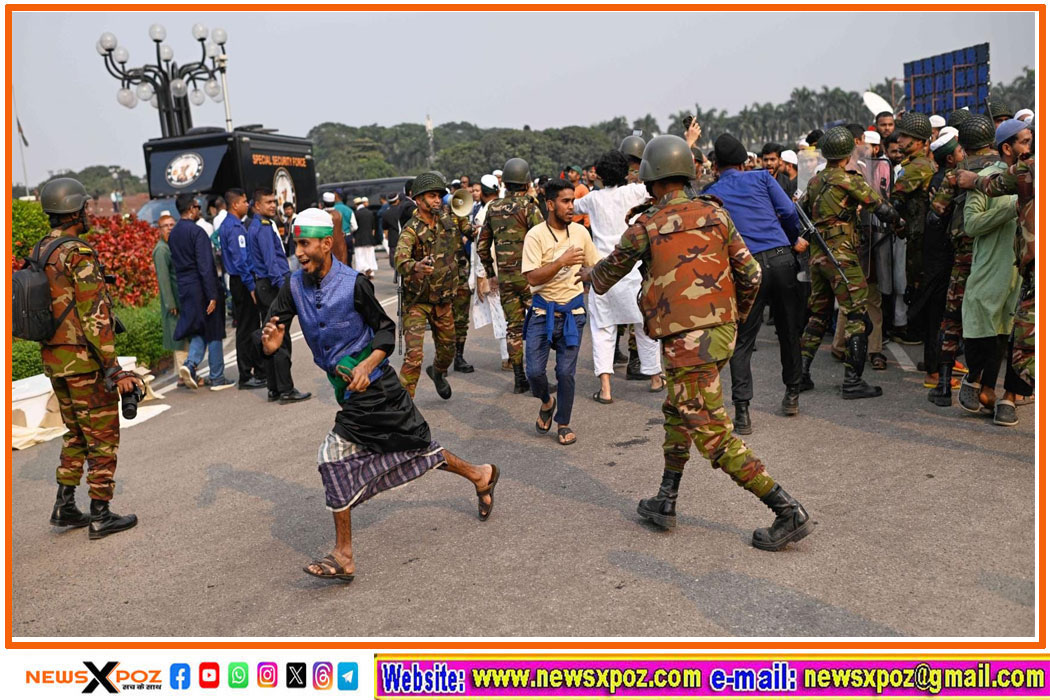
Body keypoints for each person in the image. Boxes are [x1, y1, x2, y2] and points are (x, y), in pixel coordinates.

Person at [579, 135, 814, 552]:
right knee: (677, 410)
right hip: (721, 334)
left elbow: (604, 278)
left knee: (711, 433)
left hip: (686, 342)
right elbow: (752, 274)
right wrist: (734, 318)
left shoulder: (646, 225)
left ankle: (785, 509)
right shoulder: (715, 214)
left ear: (651, 177)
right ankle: (665, 499)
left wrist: (586, 274)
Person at [259, 208, 499, 583]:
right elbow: (274, 327)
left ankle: (343, 554)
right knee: (417, 450)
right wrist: (271, 345)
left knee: (332, 456)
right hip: (348, 392)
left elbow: (385, 331)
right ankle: (480, 474)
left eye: (305, 243)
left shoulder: (354, 284)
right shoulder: (293, 286)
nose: (299, 251)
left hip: (377, 388)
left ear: (326, 243)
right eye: (295, 244)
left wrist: (367, 365)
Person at [37, 177, 139, 539]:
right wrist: (113, 368)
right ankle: (101, 513)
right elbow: (94, 316)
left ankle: (65, 505)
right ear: (75, 211)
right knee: (103, 436)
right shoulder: (76, 252)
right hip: (84, 363)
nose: (89, 212)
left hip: (55, 360)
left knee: (76, 433)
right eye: (86, 207)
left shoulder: (42, 250)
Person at [704, 133, 805, 430]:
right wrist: (790, 237)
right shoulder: (761, 178)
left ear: (716, 165)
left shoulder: (711, 192)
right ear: (743, 161)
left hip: (746, 267)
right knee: (788, 331)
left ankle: (742, 411)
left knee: (743, 341)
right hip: (783, 259)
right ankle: (792, 395)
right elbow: (788, 211)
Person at [799, 126, 904, 399]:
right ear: (848, 153)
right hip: (841, 255)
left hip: (818, 256)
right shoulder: (849, 179)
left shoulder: (815, 181)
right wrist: (899, 222)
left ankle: (801, 374)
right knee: (857, 316)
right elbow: (878, 206)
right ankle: (853, 381)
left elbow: (800, 211)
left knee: (817, 316)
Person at [572, 151, 662, 403]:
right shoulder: (634, 192)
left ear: (598, 175)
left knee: (602, 329)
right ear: (625, 172)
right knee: (644, 326)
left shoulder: (592, 198)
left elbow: (572, 207)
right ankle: (655, 378)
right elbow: (658, 186)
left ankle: (606, 389)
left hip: (603, 273)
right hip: (632, 270)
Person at [926, 114, 1002, 406]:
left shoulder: (957, 172)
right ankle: (985, 384)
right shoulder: (1003, 169)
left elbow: (936, 213)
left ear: (964, 144)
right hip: (996, 255)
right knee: (994, 318)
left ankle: (944, 387)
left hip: (964, 256)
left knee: (953, 317)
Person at [956, 146, 1035, 426]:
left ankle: (1010, 397)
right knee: (990, 330)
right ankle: (978, 380)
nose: (1028, 147)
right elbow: (972, 224)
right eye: (1024, 140)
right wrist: (1011, 210)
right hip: (999, 266)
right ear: (1008, 147)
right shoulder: (999, 176)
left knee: (1024, 339)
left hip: (1028, 271)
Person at [522, 179, 601, 446]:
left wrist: (597, 272)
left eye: (572, 201)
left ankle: (564, 423)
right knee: (533, 372)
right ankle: (547, 401)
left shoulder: (580, 232)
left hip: (572, 313)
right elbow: (532, 278)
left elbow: (596, 264)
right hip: (542, 313)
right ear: (550, 204)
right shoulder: (535, 235)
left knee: (566, 373)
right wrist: (561, 262)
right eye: (565, 202)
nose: (571, 206)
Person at [477, 157, 545, 393]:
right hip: (530, 277)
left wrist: (491, 273)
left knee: (513, 328)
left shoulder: (493, 208)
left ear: (504, 183)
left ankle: (519, 378)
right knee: (538, 323)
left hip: (505, 279)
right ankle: (538, 377)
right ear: (526, 183)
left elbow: (481, 246)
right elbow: (543, 239)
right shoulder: (529, 207)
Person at [394, 172, 460, 399]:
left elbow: (469, 230)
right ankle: (404, 408)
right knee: (413, 357)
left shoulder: (447, 219)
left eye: (439, 196)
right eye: (432, 196)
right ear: (418, 199)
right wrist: (415, 266)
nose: (437, 200)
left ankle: (438, 372)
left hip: (443, 300)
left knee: (447, 351)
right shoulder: (411, 229)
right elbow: (400, 258)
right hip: (417, 302)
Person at [248, 188, 311, 404]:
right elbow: (271, 261)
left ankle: (274, 388)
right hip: (274, 285)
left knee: (269, 335)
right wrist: (284, 287)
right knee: (280, 337)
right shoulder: (264, 228)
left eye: (274, 202)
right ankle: (286, 389)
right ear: (257, 206)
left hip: (263, 285)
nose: (273, 206)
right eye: (268, 202)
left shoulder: (255, 225)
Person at [170, 193, 232, 391]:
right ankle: (217, 377)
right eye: (197, 206)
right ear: (190, 208)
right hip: (202, 287)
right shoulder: (197, 232)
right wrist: (213, 295)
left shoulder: (174, 233)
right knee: (213, 330)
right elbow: (206, 266)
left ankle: (189, 364)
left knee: (199, 329)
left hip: (186, 288)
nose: (199, 210)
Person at [217, 188, 267, 390]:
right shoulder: (236, 228)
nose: (248, 204)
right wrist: (251, 287)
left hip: (237, 281)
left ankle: (255, 370)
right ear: (235, 204)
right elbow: (241, 261)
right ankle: (246, 375)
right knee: (247, 329)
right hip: (242, 281)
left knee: (250, 326)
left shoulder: (227, 225)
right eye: (245, 201)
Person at [469, 175, 512, 370]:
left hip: (492, 271)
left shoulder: (483, 213)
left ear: (484, 193)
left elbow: (482, 248)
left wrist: (480, 277)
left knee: (500, 315)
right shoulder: (508, 207)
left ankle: (508, 356)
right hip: (513, 269)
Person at [152, 214, 189, 383]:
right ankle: (185, 374)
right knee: (179, 338)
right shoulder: (161, 250)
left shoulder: (172, 245)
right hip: (173, 301)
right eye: (165, 226)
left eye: (172, 224)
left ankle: (181, 375)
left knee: (181, 336)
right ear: (159, 230)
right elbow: (163, 278)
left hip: (181, 298)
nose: (169, 228)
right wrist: (170, 303)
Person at [352, 197, 378, 278]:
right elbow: (373, 228)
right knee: (370, 255)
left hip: (359, 238)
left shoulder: (356, 213)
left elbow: (354, 227)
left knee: (360, 256)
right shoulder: (370, 213)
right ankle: (371, 273)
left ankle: (366, 269)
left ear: (356, 205)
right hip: (369, 238)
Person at [321, 192, 349, 265]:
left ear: (324, 203)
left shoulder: (321, 214)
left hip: (326, 246)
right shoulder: (339, 214)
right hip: (340, 245)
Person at [382, 192, 403, 278]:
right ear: (397, 200)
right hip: (404, 236)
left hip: (393, 238)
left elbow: (385, 227)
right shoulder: (402, 210)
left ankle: (397, 272)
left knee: (393, 259)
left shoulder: (386, 213)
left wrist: (386, 235)